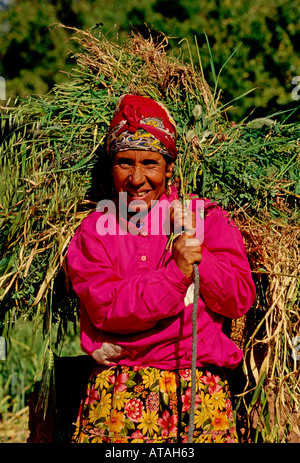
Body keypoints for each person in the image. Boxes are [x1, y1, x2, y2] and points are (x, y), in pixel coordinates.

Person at [67, 94, 256, 443]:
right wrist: (176, 274)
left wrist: (203, 259)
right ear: (111, 168)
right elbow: (108, 309)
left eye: (150, 164)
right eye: (125, 162)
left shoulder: (206, 219)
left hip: (199, 392)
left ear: (169, 168)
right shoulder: (95, 231)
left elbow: (239, 299)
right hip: (121, 393)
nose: (137, 179)